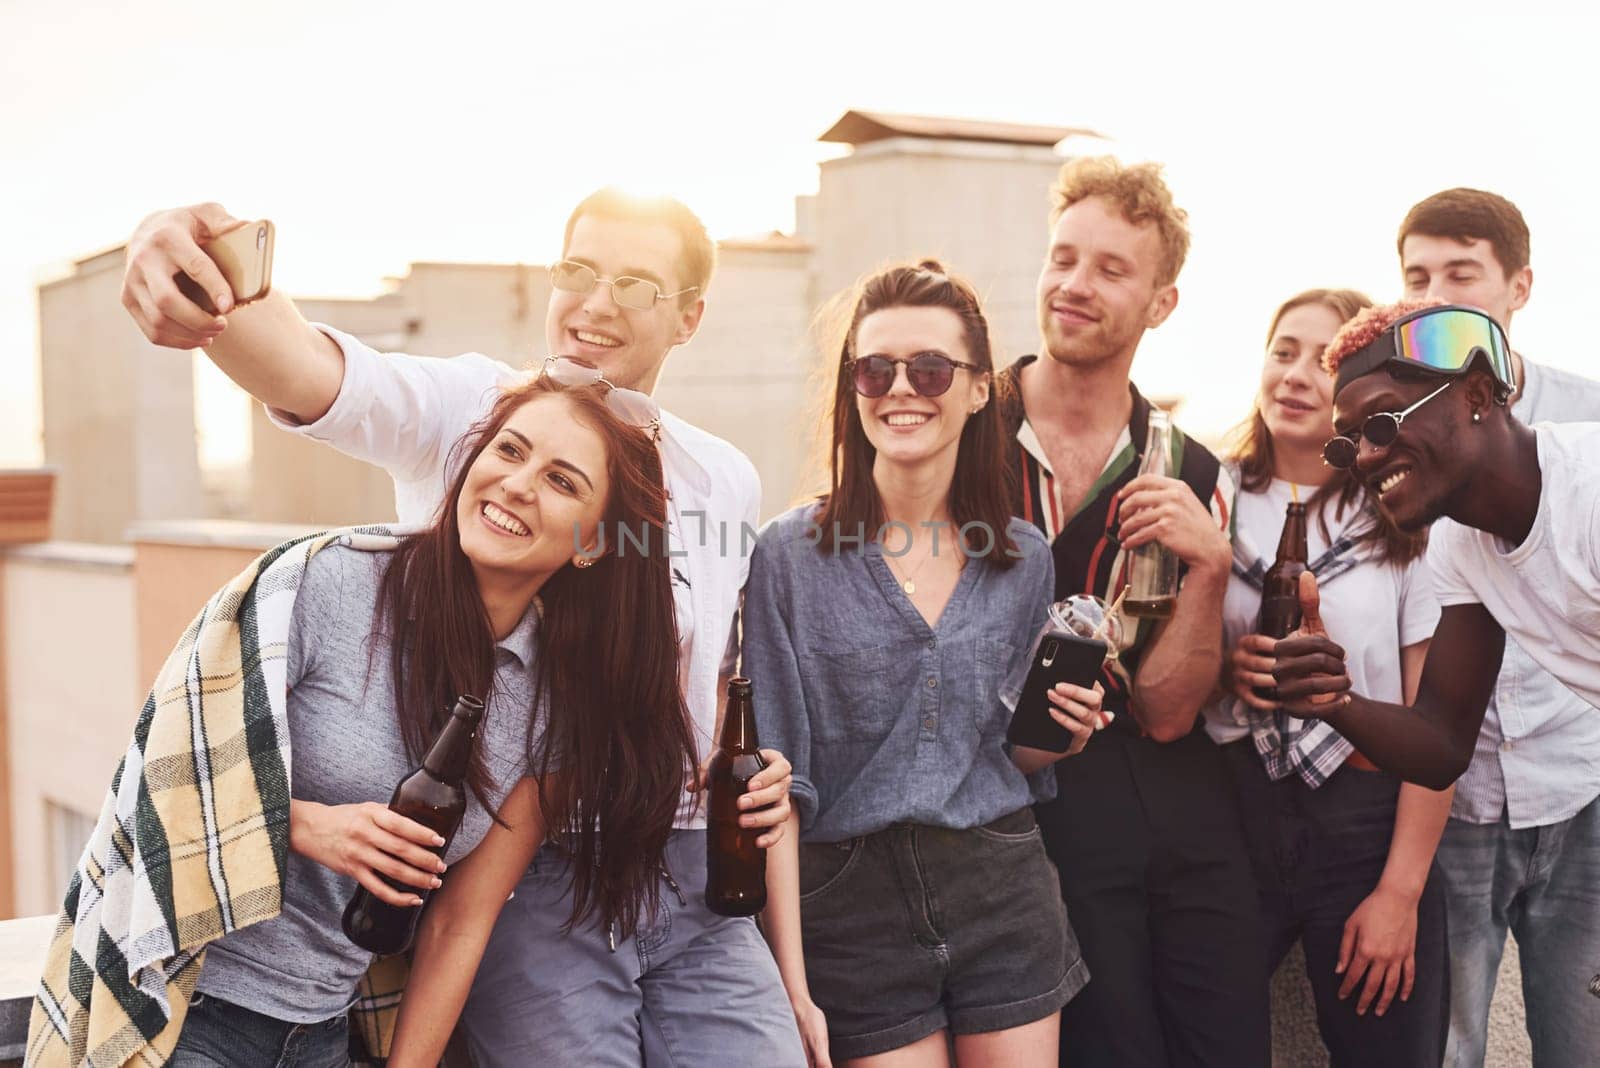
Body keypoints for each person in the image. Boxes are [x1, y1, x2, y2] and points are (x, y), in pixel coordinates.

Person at [119, 190, 806, 1065]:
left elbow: (710, 672)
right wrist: (191, 264)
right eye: (578, 272)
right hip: (540, 863)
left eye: (635, 285)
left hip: (691, 865)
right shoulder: (478, 409)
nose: (596, 304)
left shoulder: (726, 477)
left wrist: (749, 769)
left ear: (689, 319)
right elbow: (307, 368)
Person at [29, 375, 706, 1068]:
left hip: (326, 1033)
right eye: (509, 451)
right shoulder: (324, 585)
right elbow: (160, 779)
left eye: (562, 481)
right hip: (191, 1006)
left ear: (592, 543)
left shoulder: (552, 708)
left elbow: (458, 924)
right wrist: (314, 827)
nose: (518, 484)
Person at [743, 261, 1101, 1068]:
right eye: (876, 369)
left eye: (931, 368)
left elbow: (1014, 757)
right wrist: (790, 986)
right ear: (852, 387)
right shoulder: (788, 557)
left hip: (1001, 886)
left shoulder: (1023, 558)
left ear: (978, 390)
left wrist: (1065, 734)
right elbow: (780, 786)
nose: (902, 388)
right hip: (848, 911)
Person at [998, 156, 1268, 1067]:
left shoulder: (1189, 466)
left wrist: (1210, 565)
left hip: (1169, 787)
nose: (1074, 285)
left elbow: (1168, 712)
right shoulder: (963, 432)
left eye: (1111, 269)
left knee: (1227, 1037)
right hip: (1022, 793)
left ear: (1161, 304)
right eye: (1062, 258)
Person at [1208, 289, 1450, 1065]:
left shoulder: (1406, 511)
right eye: (1283, 351)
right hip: (1231, 812)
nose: (1297, 375)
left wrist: (1400, 892)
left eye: (1324, 360)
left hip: (1364, 819)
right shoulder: (1209, 496)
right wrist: (1228, 667)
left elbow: (1435, 721)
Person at [1396, 188, 1600, 1068]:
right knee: (1451, 1047)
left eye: (1461, 273)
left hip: (1580, 781)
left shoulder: (1588, 420)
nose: (1436, 294)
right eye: (1416, 277)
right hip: (1463, 799)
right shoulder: (1391, 437)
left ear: (1519, 286)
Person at [1273, 299, 1600, 786]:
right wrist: (1333, 700)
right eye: (1350, 442)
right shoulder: (1459, 545)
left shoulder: (1587, 491)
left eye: (1384, 422)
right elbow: (1442, 744)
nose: (1364, 458)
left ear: (1477, 395)